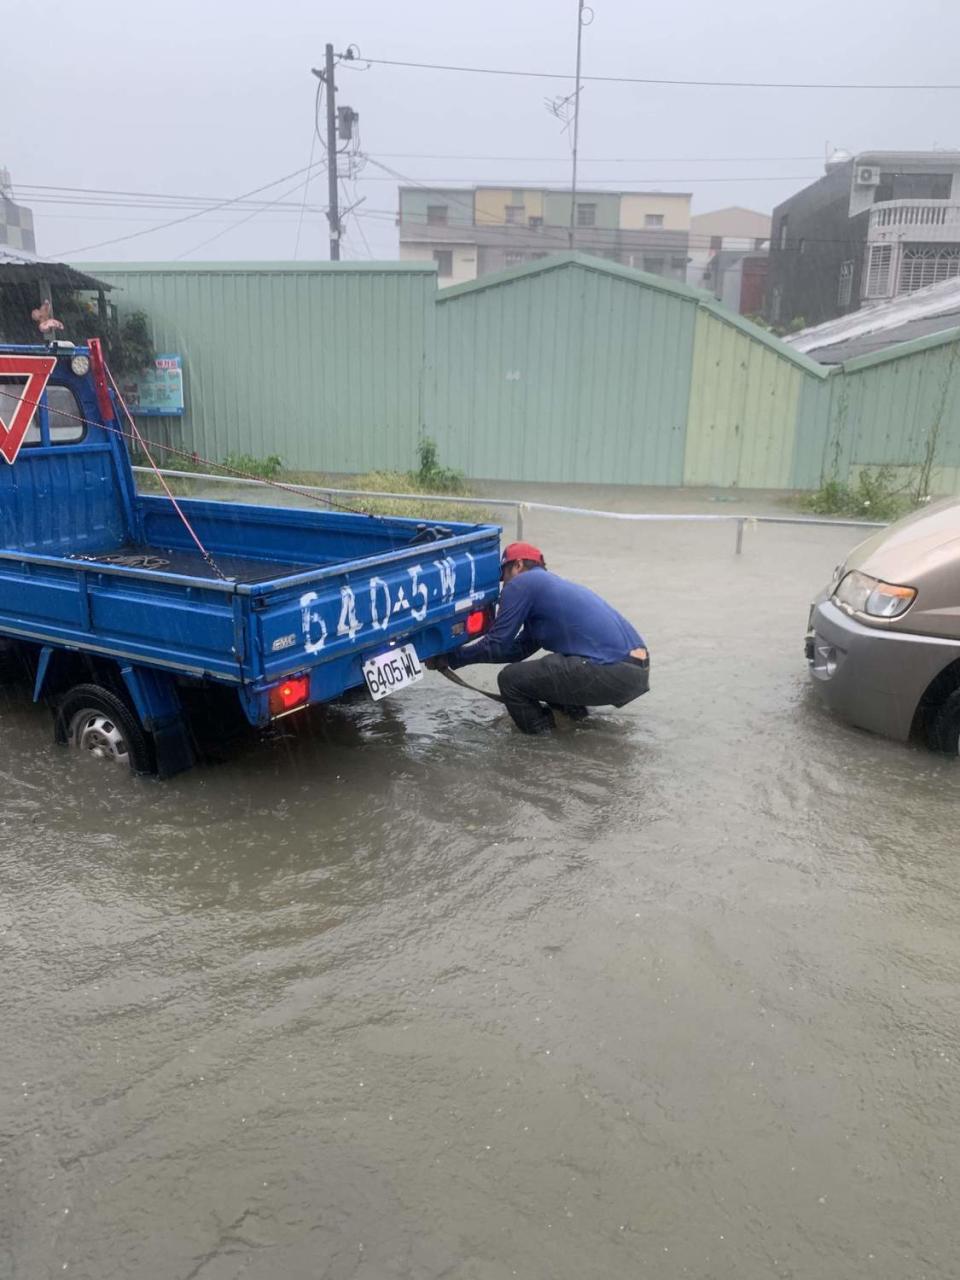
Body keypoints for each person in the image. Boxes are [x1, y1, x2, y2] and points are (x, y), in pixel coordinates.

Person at [428, 541, 649, 735]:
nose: (504, 584)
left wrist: (452, 658)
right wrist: (455, 658)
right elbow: (517, 650)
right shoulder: (550, 587)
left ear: (518, 565)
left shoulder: (522, 583)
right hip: (634, 672)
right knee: (540, 678)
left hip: (608, 668)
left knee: (510, 681)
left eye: (503, 576)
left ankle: (541, 745)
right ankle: (576, 730)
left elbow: (496, 644)